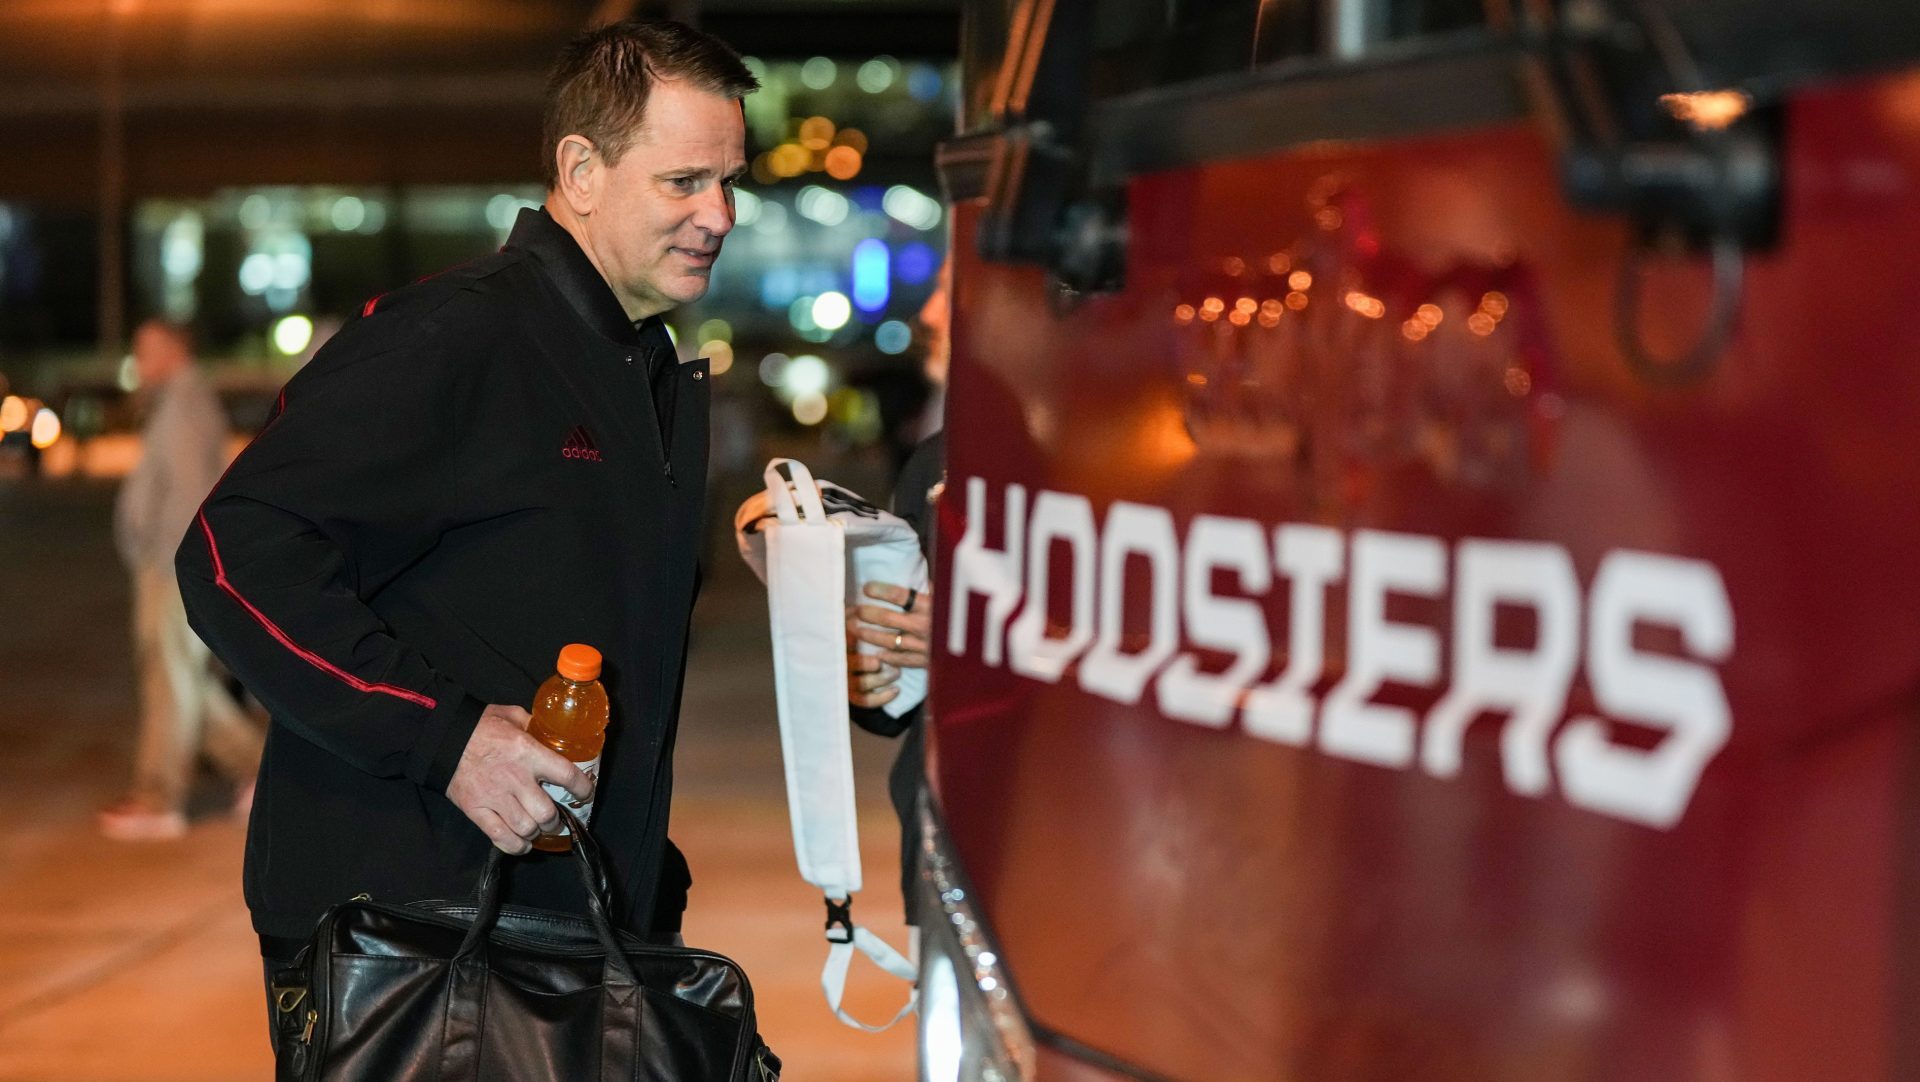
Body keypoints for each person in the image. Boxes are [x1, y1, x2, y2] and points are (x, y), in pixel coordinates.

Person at [173, 18, 756, 1028]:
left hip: (556, 937)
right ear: (580, 169)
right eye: (684, 181)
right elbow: (232, 550)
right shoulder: (460, 336)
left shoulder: (634, 370)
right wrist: (448, 742)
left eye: (731, 181)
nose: (721, 212)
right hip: (412, 946)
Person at [100, 319, 264, 842]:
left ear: (173, 352)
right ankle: (263, 771)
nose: (138, 362)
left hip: (170, 565)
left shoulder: (185, 406)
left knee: (170, 681)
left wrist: (171, 563)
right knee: (186, 681)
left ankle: (158, 798)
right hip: (164, 563)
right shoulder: (177, 400)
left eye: (145, 350)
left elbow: (192, 495)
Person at [845, 267, 949, 922]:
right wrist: (867, 656)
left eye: (955, 283)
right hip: (935, 843)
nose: (930, 312)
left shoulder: (1125, 464)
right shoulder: (934, 463)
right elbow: (888, 714)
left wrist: (971, 637)